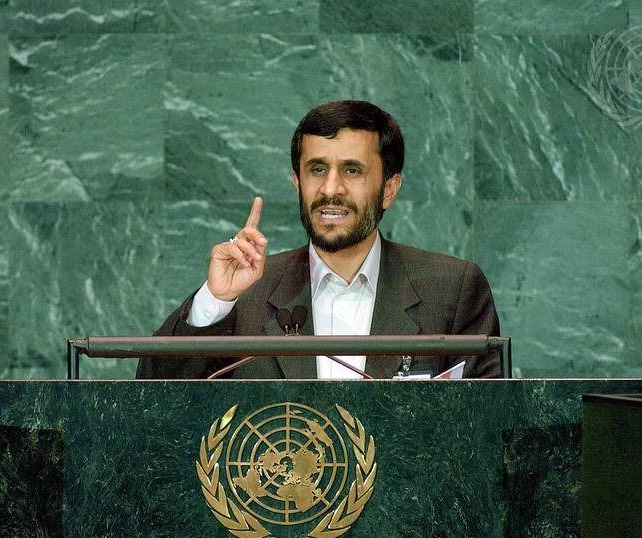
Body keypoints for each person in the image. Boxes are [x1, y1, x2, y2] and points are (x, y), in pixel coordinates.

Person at [136, 100, 501, 380]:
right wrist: (215, 301)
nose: (330, 189)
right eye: (317, 169)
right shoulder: (247, 294)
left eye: (352, 170)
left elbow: (490, 425)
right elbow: (155, 399)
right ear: (297, 182)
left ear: (389, 189)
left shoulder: (452, 289)